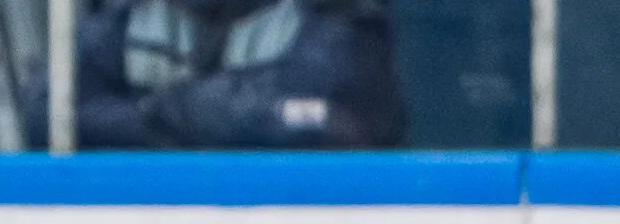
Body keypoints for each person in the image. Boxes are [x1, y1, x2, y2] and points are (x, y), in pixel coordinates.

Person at [75, 0, 405, 149]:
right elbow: (52, 112)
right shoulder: (130, 15)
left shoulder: (336, 16)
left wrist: (157, 115)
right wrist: (166, 116)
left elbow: (311, 112)